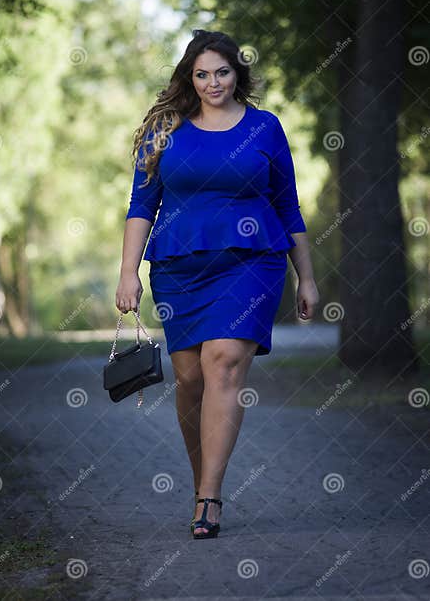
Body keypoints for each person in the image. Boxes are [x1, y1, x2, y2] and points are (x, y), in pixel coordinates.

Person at [115, 29, 319, 539]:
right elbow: (142, 206)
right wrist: (127, 272)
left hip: (252, 262)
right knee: (189, 379)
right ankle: (200, 478)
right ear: (189, 76)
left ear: (238, 74)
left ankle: (210, 497)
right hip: (179, 267)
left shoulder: (265, 128)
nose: (212, 83)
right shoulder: (164, 129)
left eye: (222, 72)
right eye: (202, 73)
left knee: (222, 362)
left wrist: (307, 277)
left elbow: (287, 205)